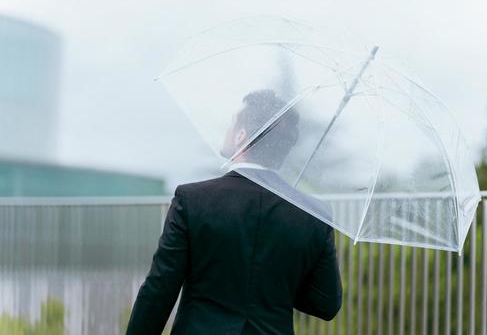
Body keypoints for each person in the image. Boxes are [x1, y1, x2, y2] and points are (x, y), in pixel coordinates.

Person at [126, 90, 342, 335]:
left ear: (241, 136)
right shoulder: (312, 216)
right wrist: (276, 283)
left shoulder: (193, 200)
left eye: (232, 122)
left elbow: (159, 290)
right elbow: (326, 304)